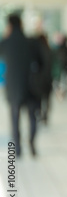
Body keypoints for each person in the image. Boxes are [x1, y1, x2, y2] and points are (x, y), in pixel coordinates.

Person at [0, 14, 43, 157]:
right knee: (32, 117)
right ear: (22, 24)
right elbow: (41, 62)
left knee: (15, 118)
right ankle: (31, 144)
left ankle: (17, 148)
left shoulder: (6, 42)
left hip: (14, 88)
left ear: (10, 26)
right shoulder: (31, 42)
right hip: (31, 86)